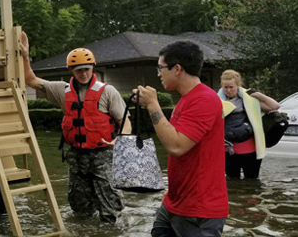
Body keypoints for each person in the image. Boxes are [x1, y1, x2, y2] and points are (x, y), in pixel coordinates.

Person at [20, 32, 129, 224]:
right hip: (76, 157)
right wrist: (25, 57)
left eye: (87, 69)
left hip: (103, 155)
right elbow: (30, 80)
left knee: (111, 208)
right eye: (79, 70)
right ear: (71, 70)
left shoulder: (108, 91)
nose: (84, 73)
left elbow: (125, 121)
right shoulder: (61, 91)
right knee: (79, 209)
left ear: (93, 67)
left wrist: (119, 140)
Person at [134, 41, 228, 237]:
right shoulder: (186, 99)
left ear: (177, 69)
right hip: (174, 202)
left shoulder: (204, 99)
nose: (158, 74)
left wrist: (152, 105)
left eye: (160, 68)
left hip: (199, 210)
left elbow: (176, 146)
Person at [218, 69, 280, 179]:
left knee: (252, 181)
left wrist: (259, 95)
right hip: (228, 149)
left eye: (231, 87)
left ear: (238, 85)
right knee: (232, 181)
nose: (228, 90)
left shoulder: (249, 100)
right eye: (225, 87)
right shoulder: (217, 101)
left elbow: (275, 106)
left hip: (250, 148)